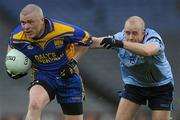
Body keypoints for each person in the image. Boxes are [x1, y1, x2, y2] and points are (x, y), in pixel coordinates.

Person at [7, 4, 93, 120]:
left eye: (30, 22)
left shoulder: (62, 29)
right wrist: (11, 66)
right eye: (23, 22)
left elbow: (87, 39)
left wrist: (73, 63)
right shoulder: (17, 36)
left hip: (68, 78)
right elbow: (12, 45)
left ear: (42, 20)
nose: (26, 27)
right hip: (43, 76)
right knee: (35, 104)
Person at [92, 16, 174, 120]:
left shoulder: (153, 38)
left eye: (135, 33)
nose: (130, 37)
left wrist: (120, 44)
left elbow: (147, 51)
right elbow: (95, 42)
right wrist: (75, 38)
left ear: (143, 33)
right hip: (135, 84)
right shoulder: (119, 38)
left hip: (161, 85)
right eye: (127, 33)